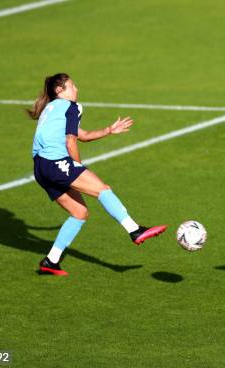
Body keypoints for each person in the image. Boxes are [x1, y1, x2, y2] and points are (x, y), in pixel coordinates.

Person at [28, 73, 167, 276]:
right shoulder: (71, 107)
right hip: (55, 162)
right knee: (103, 190)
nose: (77, 89)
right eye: (72, 85)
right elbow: (70, 141)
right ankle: (134, 230)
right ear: (60, 90)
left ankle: (51, 260)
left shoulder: (50, 109)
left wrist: (108, 130)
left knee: (79, 213)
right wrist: (77, 167)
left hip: (40, 168)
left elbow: (80, 135)